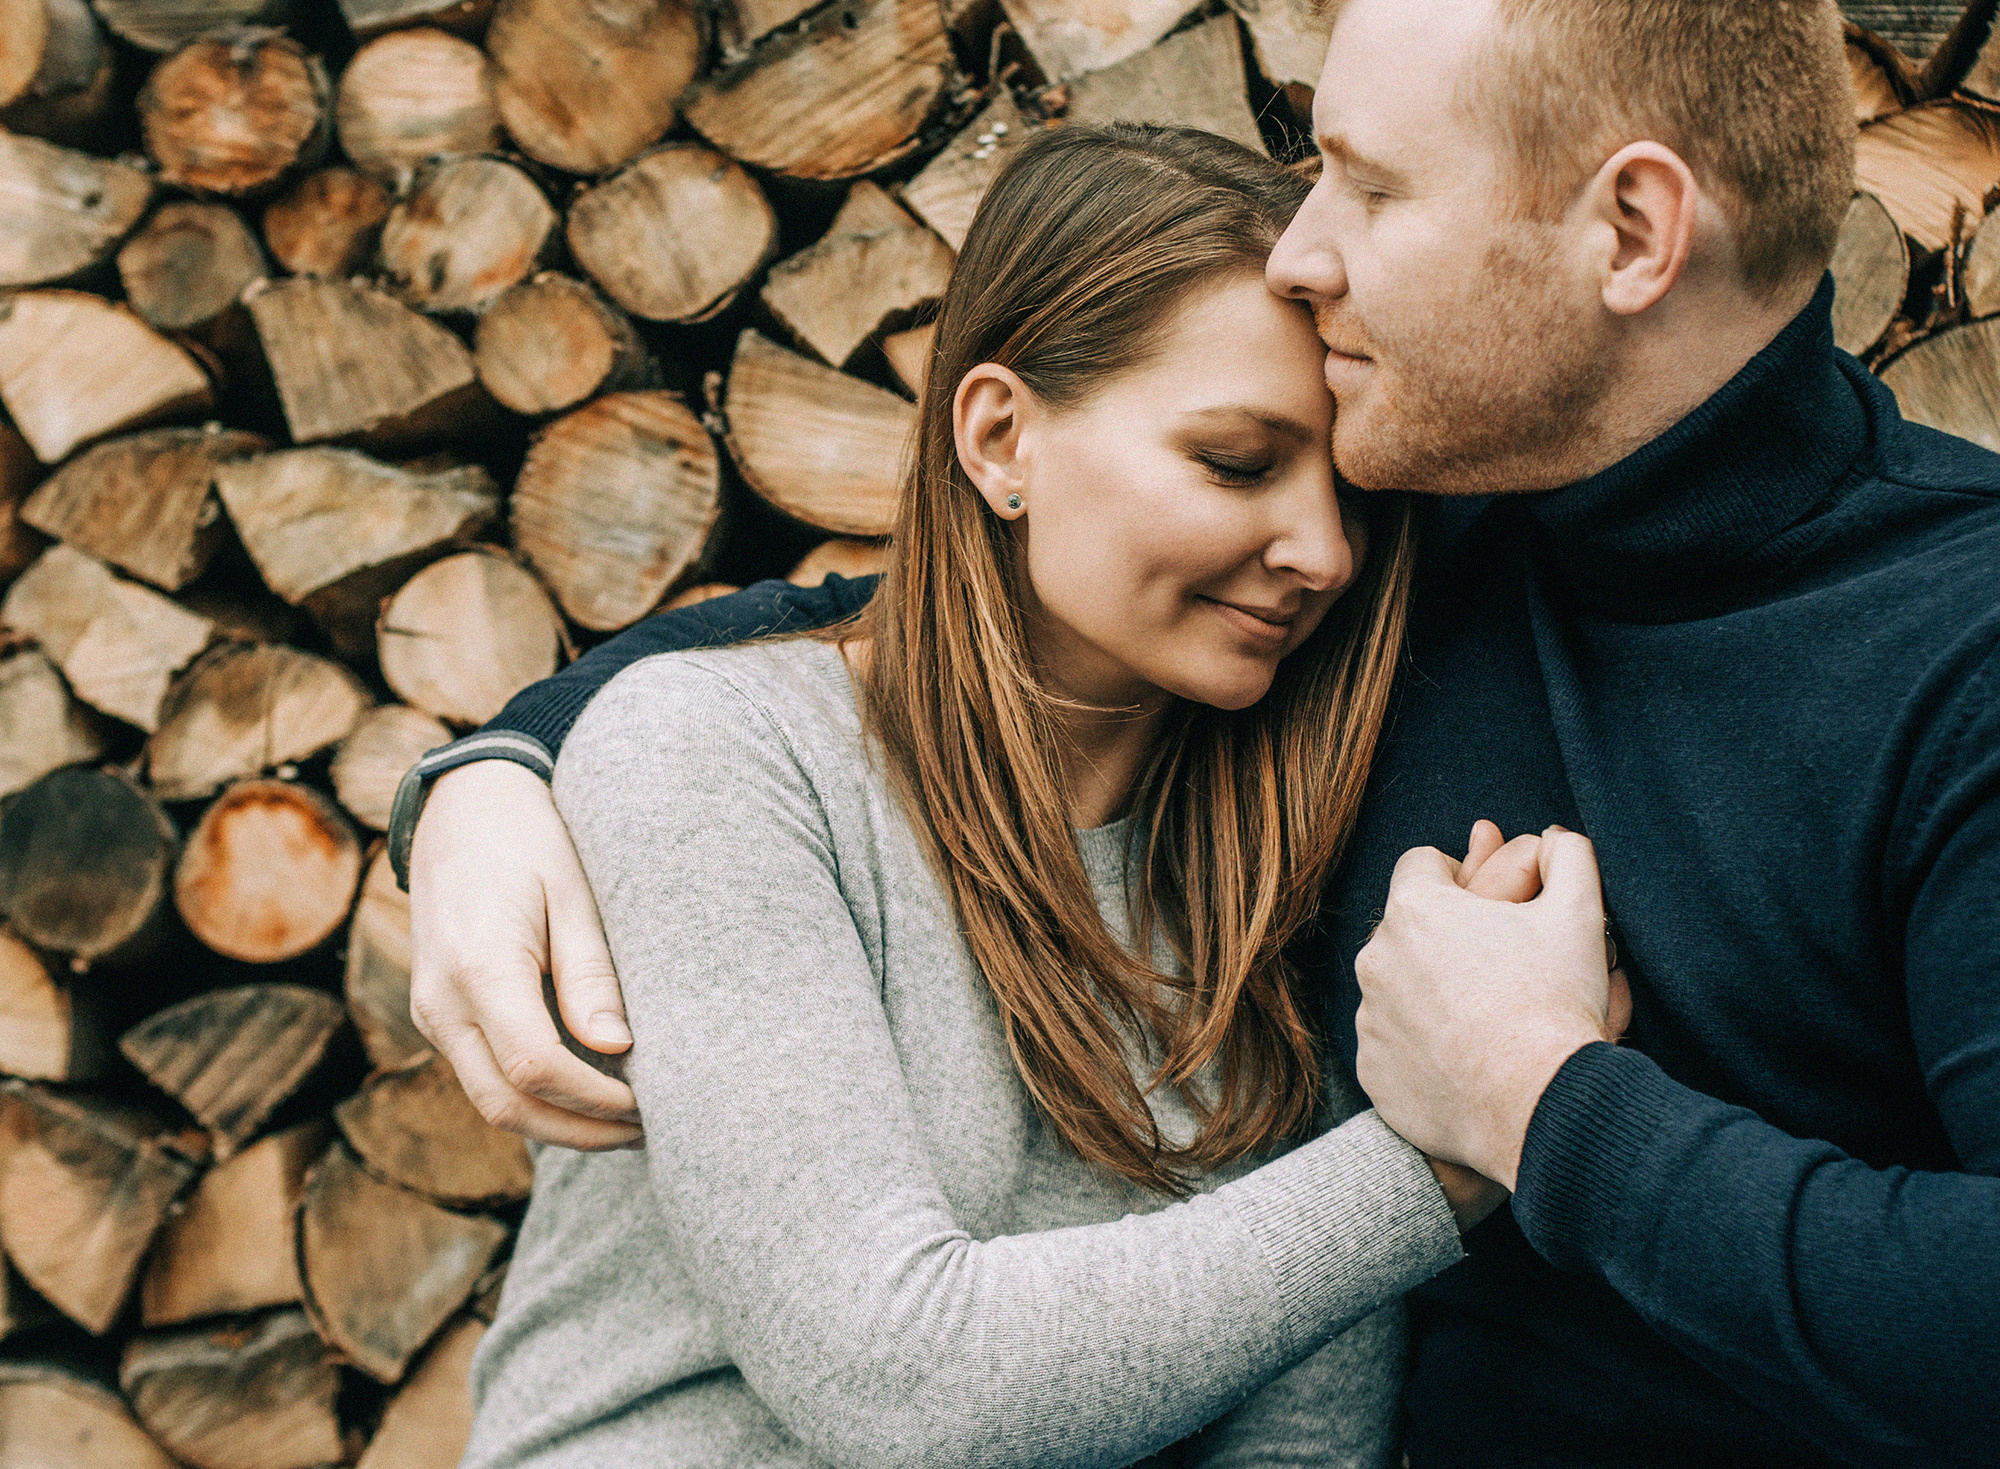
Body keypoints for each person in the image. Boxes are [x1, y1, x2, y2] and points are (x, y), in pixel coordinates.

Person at [404, 0, 2000, 1463]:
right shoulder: (1404, 564)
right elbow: (913, 636)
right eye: (1317, 175)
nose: (1308, 251)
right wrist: (504, 764)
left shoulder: (1954, 646)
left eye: (1370, 189)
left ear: (1634, 230)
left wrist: (1533, 1100)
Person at [457, 122, 1567, 1469]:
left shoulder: (1277, 852)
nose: (1323, 552)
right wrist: (1432, 1170)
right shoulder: (720, 757)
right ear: (999, 436)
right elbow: (898, 1378)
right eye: (1235, 459)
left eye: (1354, 494)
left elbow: (1299, 1441)